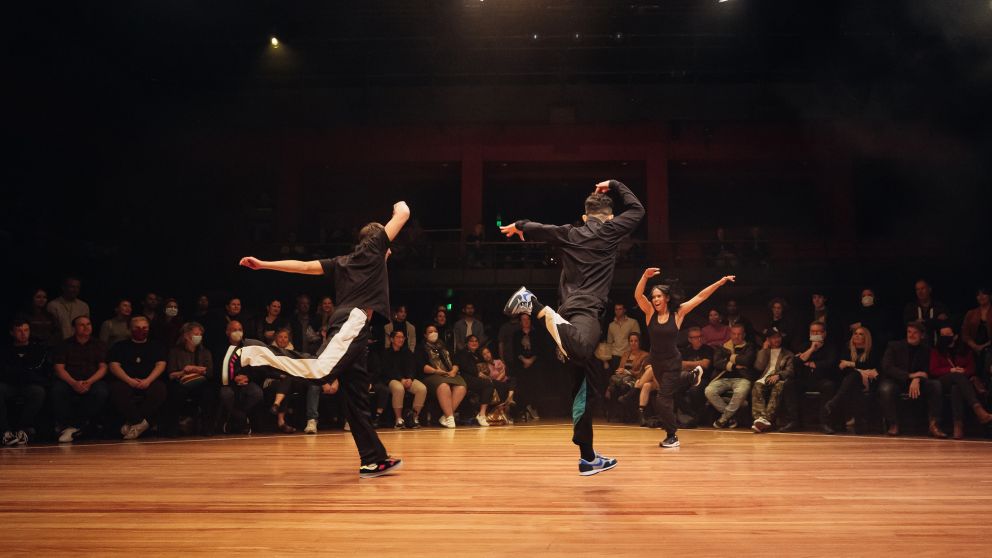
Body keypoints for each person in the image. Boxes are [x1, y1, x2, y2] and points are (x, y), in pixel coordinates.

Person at [236, 200, 410, 478]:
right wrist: (398, 203)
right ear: (377, 239)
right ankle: (249, 352)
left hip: (354, 327)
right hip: (353, 322)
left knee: (356, 398)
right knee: (319, 370)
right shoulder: (374, 247)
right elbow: (403, 212)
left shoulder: (344, 263)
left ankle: (373, 459)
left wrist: (264, 264)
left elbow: (303, 267)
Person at [501, 178, 644, 475]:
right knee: (580, 348)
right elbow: (637, 209)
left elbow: (541, 228)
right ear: (610, 217)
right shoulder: (611, 230)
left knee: (585, 390)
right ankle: (534, 305)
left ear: (584, 216)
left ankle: (588, 457)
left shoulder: (571, 232)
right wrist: (616, 184)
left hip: (570, 312)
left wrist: (519, 224)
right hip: (585, 312)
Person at [634, 268, 735, 447]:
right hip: (656, 361)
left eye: (659, 296)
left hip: (673, 360)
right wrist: (644, 277)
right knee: (666, 392)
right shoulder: (650, 313)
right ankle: (692, 376)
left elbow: (700, 297)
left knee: (662, 399)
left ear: (667, 298)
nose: (655, 299)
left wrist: (720, 282)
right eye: (654, 297)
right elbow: (638, 296)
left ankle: (672, 436)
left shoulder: (678, 313)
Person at [880, 322, 945, 438]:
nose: (911, 335)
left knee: (935, 385)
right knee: (886, 388)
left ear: (922, 335)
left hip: (918, 381)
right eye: (909, 332)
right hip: (897, 380)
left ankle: (934, 425)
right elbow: (887, 367)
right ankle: (893, 424)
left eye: (915, 333)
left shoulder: (927, 350)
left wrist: (917, 379)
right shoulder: (894, 346)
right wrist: (910, 376)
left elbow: (927, 371)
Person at [107, 316, 168, 440]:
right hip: (126, 380)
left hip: (149, 380)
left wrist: (148, 380)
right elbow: (114, 366)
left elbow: (161, 364)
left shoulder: (156, 345)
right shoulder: (119, 346)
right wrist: (129, 380)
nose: (141, 330)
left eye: (144, 328)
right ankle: (139, 422)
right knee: (117, 390)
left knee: (160, 390)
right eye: (137, 328)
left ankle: (132, 422)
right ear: (130, 329)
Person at [928, 324, 992, 439]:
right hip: (942, 381)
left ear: (955, 336)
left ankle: (958, 426)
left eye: (947, 334)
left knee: (956, 388)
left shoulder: (965, 350)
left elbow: (972, 369)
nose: (944, 337)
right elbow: (933, 370)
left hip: (962, 383)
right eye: (942, 335)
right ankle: (978, 410)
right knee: (956, 377)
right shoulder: (936, 350)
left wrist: (963, 371)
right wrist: (951, 370)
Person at [51, 316, 109, 443]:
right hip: (70, 380)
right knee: (57, 390)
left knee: (101, 392)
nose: (86, 327)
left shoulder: (99, 344)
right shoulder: (65, 344)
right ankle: (65, 424)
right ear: (74, 328)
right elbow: (59, 368)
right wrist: (73, 383)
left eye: (88, 324)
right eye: (81, 325)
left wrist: (89, 382)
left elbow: (103, 367)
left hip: (92, 380)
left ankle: (78, 424)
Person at [1, 320, 50, 446]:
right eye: (19, 330)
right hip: (10, 384)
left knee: (38, 392)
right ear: (12, 333)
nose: (23, 333)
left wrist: (20, 371)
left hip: (30, 384)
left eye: (26, 330)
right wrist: (22, 371)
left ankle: (22, 429)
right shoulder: (5, 350)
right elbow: (5, 371)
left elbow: (39, 369)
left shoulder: (38, 349)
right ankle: (5, 432)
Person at [823, 326, 880, 433]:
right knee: (853, 379)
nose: (857, 336)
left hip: (868, 382)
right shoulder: (847, 349)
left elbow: (872, 365)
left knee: (854, 376)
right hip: (852, 382)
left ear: (866, 337)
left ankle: (833, 403)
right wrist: (860, 369)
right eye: (855, 333)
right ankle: (859, 423)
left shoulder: (872, 350)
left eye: (861, 334)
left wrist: (850, 364)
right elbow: (841, 368)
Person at [787, 321, 840, 434]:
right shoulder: (804, 345)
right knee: (789, 384)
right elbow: (796, 362)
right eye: (812, 332)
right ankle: (794, 421)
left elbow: (831, 363)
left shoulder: (831, 346)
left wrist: (812, 363)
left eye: (818, 332)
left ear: (824, 333)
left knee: (829, 386)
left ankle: (825, 422)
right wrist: (811, 349)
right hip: (804, 379)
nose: (815, 334)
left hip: (821, 379)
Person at [162, 321, 213, 437]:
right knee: (176, 391)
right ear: (186, 335)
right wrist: (184, 371)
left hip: (200, 383)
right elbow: (171, 374)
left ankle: (207, 428)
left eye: (200, 334)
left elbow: (209, 372)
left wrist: (193, 369)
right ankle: (172, 429)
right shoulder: (175, 352)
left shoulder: (205, 352)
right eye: (196, 334)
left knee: (208, 392)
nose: (198, 337)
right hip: (180, 383)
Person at [215, 320, 263, 434]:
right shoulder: (220, 349)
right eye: (234, 330)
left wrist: (247, 377)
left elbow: (257, 368)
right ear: (227, 332)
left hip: (246, 382)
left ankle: (235, 417)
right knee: (226, 394)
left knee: (257, 393)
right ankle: (241, 418)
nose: (238, 332)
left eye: (240, 330)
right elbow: (217, 370)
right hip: (227, 383)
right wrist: (233, 378)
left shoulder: (248, 348)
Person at [707, 324, 757, 430]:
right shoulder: (722, 346)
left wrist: (728, 357)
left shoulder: (750, 346)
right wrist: (734, 366)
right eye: (734, 334)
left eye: (739, 334)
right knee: (709, 391)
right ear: (730, 334)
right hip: (722, 378)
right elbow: (717, 363)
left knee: (740, 392)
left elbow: (747, 361)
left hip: (743, 378)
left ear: (744, 335)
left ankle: (723, 419)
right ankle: (730, 417)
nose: (736, 337)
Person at [418, 324, 467, 428]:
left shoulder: (443, 345)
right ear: (425, 335)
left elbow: (456, 361)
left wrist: (454, 370)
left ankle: (445, 416)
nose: (433, 333)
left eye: (435, 331)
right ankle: (450, 417)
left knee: (461, 387)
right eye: (430, 332)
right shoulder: (421, 347)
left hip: (449, 373)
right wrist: (436, 371)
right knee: (444, 386)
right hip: (432, 375)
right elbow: (421, 366)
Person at [750, 329, 794, 433]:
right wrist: (764, 349)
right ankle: (759, 419)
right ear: (768, 340)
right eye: (773, 337)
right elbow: (759, 367)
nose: (777, 339)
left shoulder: (788, 354)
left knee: (779, 386)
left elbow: (790, 371)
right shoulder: (765, 352)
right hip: (766, 377)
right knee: (757, 385)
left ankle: (765, 419)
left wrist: (779, 375)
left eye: (778, 337)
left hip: (779, 378)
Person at [381, 329, 426, 428]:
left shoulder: (407, 351)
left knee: (422, 389)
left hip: (407, 379)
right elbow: (387, 370)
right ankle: (399, 419)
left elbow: (412, 366)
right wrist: (400, 379)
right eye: (398, 337)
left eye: (403, 337)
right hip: (392, 379)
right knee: (399, 389)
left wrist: (410, 378)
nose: (401, 339)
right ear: (392, 339)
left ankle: (413, 417)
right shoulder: (386, 353)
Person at [455, 334, 496, 427]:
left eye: (476, 341)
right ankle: (482, 415)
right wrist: (477, 373)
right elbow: (464, 367)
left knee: (499, 384)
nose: (474, 343)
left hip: (477, 377)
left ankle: (497, 414)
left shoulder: (477, 354)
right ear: (467, 343)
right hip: (465, 378)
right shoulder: (463, 353)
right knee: (488, 384)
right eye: (471, 341)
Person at [961, 287, 991, 394]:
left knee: (987, 354)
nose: (981, 297)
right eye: (978, 295)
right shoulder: (971, 313)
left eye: (984, 294)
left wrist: (984, 346)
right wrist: (974, 345)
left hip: (989, 347)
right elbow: (964, 333)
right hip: (972, 346)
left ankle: (986, 385)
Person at [902, 280, 950, 347]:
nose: (920, 292)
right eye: (917, 289)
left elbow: (945, 325)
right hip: (916, 348)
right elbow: (908, 325)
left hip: (936, 347)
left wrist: (923, 322)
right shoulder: (911, 307)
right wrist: (934, 321)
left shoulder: (939, 307)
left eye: (922, 288)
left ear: (929, 289)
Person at [47, 276, 90, 341]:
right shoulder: (53, 305)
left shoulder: (83, 306)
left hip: (79, 345)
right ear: (63, 287)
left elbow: (86, 328)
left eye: (77, 287)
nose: (75, 290)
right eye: (72, 287)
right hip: (60, 345)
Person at [606, 303, 641, 371]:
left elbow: (637, 339)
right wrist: (606, 360)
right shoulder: (611, 325)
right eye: (616, 309)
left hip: (628, 355)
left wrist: (635, 355)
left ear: (624, 310)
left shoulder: (632, 322)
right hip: (615, 355)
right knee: (615, 378)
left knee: (627, 378)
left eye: (620, 309)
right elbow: (609, 342)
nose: (618, 311)